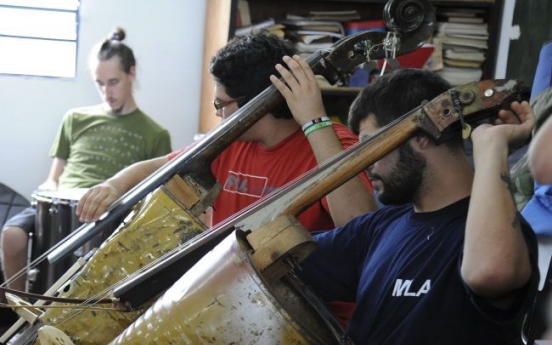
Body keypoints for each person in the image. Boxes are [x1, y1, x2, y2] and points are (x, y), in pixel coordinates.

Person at [75, 32, 377, 327]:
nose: (219, 115)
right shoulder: (231, 140)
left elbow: (361, 225)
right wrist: (113, 185)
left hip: (298, 317)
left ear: (256, 103)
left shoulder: (329, 142)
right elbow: (160, 167)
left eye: (221, 104)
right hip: (228, 302)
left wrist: (314, 120)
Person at [298, 68, 539, 345]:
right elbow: (279, 261)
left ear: (422, 135)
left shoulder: (499, 236)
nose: (365, 164)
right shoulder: (379, 228)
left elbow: (491, 272)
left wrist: (491, 145)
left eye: (371, 145)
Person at [0, 27, 172, 293]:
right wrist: (49, 186)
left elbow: (152, 195)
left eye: (113, 82)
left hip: (107, 211)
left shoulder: (155, 134)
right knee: (11, 236)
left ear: (131, 73)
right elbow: (54, 176)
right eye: (99, 83)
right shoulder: (75, 118)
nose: (106, 92)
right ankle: (20, 308)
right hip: (60, 205)